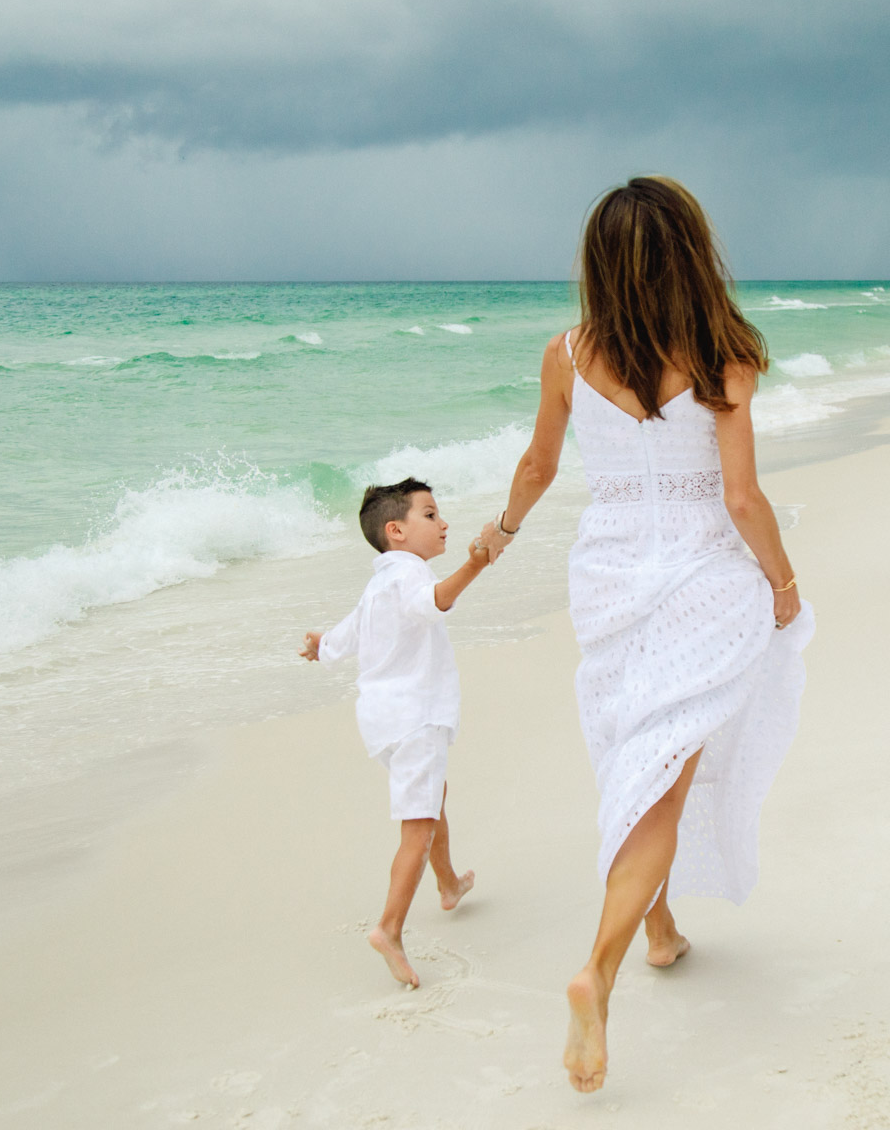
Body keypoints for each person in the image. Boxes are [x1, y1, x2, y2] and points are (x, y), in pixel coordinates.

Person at [476, 176, 813, 1094]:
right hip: (705, 577)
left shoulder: (567, 355)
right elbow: (742, 498)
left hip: (612, 579)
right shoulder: (723, 355)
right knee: (662, 778)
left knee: (638, 755)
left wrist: (498, 536)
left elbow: (539, 465)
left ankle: (660, 931)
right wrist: (783, 583)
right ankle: (602, 968)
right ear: (691, 252)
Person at [299, 478, 493, 989]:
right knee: (418, 825)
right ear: (397, 531)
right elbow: (436, 600)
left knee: (431, 797)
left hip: (384, 720)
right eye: (430, 515)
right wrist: (476, 561)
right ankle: (388, 928)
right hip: (416, 716)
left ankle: (448, 883)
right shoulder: (410, 575)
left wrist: (322, 644)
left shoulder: (380, 581)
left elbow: (348, 633)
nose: (443, 522)